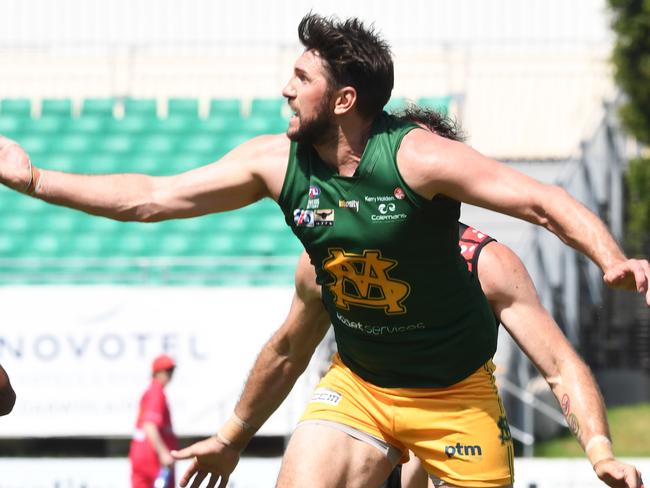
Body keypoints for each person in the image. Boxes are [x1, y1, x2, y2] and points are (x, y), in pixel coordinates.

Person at [0, 11, 648, 487]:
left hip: (456, 400)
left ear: (342, 100)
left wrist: (608, 257)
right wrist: (35, 181)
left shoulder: (420, 159)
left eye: (301, 77)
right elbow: (151, 197)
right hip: (360, 386)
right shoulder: (276, 166)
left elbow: (542, 201)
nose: (285, 88)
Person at [169, 107, 645, 488]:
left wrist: (601, 452)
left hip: (457, 402)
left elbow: (560, 366)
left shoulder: (490, 265)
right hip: (362, 390)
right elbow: (288, 350)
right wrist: (231, 438)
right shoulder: (331, 257)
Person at [129, 354, 178, 488]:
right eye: (167, 371)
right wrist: (163, 453)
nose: (170, 375)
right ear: (157, 372)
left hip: (142, 454)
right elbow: (149, 425)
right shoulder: (157, 392)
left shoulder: (151, 391)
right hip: (152, 457)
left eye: (171, 371)